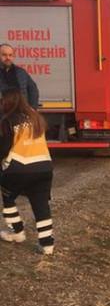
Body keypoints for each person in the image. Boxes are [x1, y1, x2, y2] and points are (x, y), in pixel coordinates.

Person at [0, 88, 54, 255]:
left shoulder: (8, 121)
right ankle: (47, 245)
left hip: (19, 168)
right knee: (41, 205)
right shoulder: (36, 118)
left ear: (8, 102)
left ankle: (17, 232)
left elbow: (4, 149)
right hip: (44, 167)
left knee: (7, 196)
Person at [0, 44, 40, 109]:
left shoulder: (21, 72)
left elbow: (33, 90)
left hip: (21, 112)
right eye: (4, 55)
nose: (8, 58)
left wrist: (33, 107)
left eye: (10, 55)